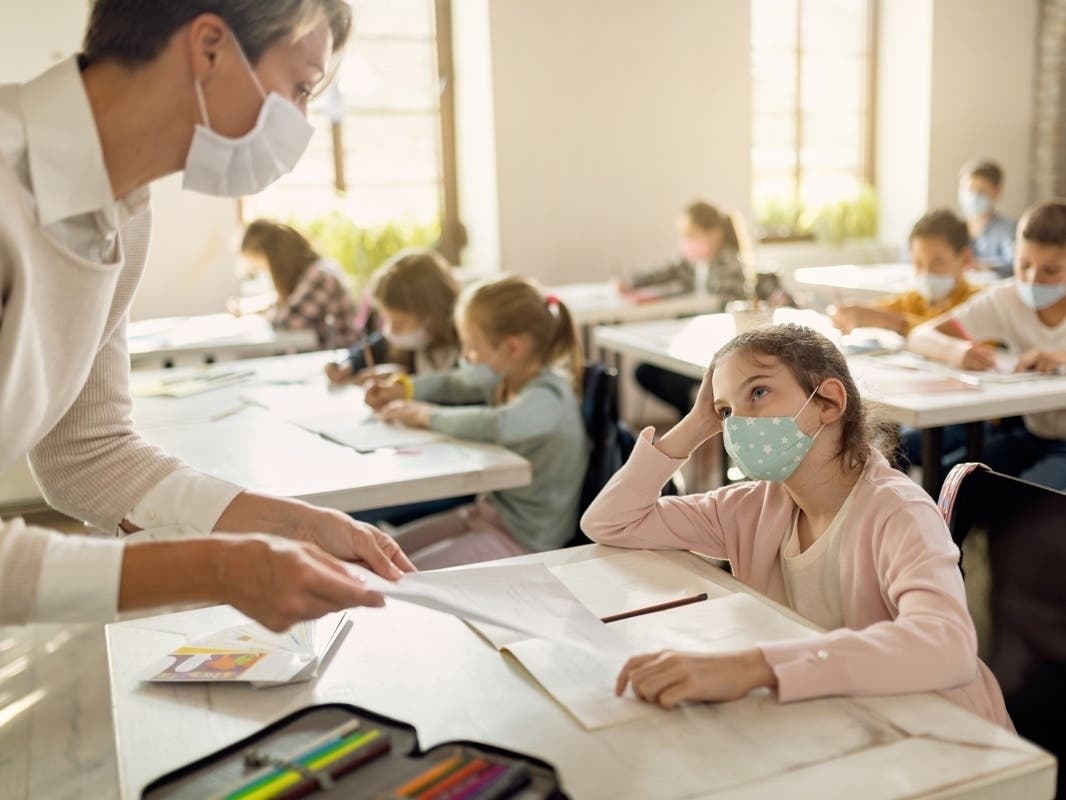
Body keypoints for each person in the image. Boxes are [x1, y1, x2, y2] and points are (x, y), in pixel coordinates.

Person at [0, 0, 414, 630]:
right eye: (299, 88)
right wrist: (218, 568)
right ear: (211, 47)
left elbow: (90, 454)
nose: (301, 123)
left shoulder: (125, 214)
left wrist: (295, 525)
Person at [581, 324, 1011, 728]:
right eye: (727, 411)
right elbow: (611, 521)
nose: (738, 424)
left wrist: (754, 666)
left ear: (828, 403)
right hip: (844, 718)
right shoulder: (751, 508)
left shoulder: (898, 511)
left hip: (945, 733)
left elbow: (947, 647)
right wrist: (698, 424)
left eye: (759, 393)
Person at [368, 276, 589, 569]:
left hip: (524, 539)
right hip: (487, 514)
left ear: (512, 348)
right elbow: (455, 385)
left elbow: (498, 424)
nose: (466, 357)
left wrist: (425, 415)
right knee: (378, 553)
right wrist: (406, 388)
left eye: (471, 347)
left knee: (399, 574)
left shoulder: (550, 396)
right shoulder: (507, 379)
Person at [909, 200, 1066, 490]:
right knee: (948, 485)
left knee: (1026, 503)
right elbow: (920, 336)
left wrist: (1059, 358)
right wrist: (956, 351)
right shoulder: (1006, 299)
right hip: (1033, 437)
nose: (1033, 279)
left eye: (1050, 270)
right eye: (1024, 265)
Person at [622, 200, 751, 419]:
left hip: (716, 351)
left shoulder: (730, 266)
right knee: (645, 372)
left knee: (666, 376)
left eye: (692, 234)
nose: (686, 242)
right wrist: (632, 282)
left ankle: (698, 420)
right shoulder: (694, 264)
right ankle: (691, 418)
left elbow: (723, 309)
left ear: (715, 234)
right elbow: (666, 271)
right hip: (691, 343)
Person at [831, 210, 983, 336]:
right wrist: (851, 314)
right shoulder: (915, 300)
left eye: (937, 263)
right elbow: (879, 310)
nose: (926, 273)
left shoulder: (981, 302)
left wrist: (895, 322)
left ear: (965, 258)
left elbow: (960, 335)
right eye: (918, 264)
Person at [324, 248, 461, 385]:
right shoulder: (407, 341)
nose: (392, 331)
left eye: (400, 323)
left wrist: (407, 382)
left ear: (433, 312)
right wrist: (348, 365)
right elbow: (371, 348)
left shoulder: (464, 348)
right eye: (386, 320)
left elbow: (453, 388)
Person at [237, 219, 361, 349]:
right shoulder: (311, 273)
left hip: (340, 358)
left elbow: (286, 323)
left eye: (262, 266)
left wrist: (265, 312)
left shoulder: (319, 277)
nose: (265, 272)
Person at [958, 159, 1016, 278]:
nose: (973, 197)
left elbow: (1013, 263)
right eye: (969, 190)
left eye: (981, 191)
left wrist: (984, 266)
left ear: (996, 192)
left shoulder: (1007, 229)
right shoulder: (955, 227)